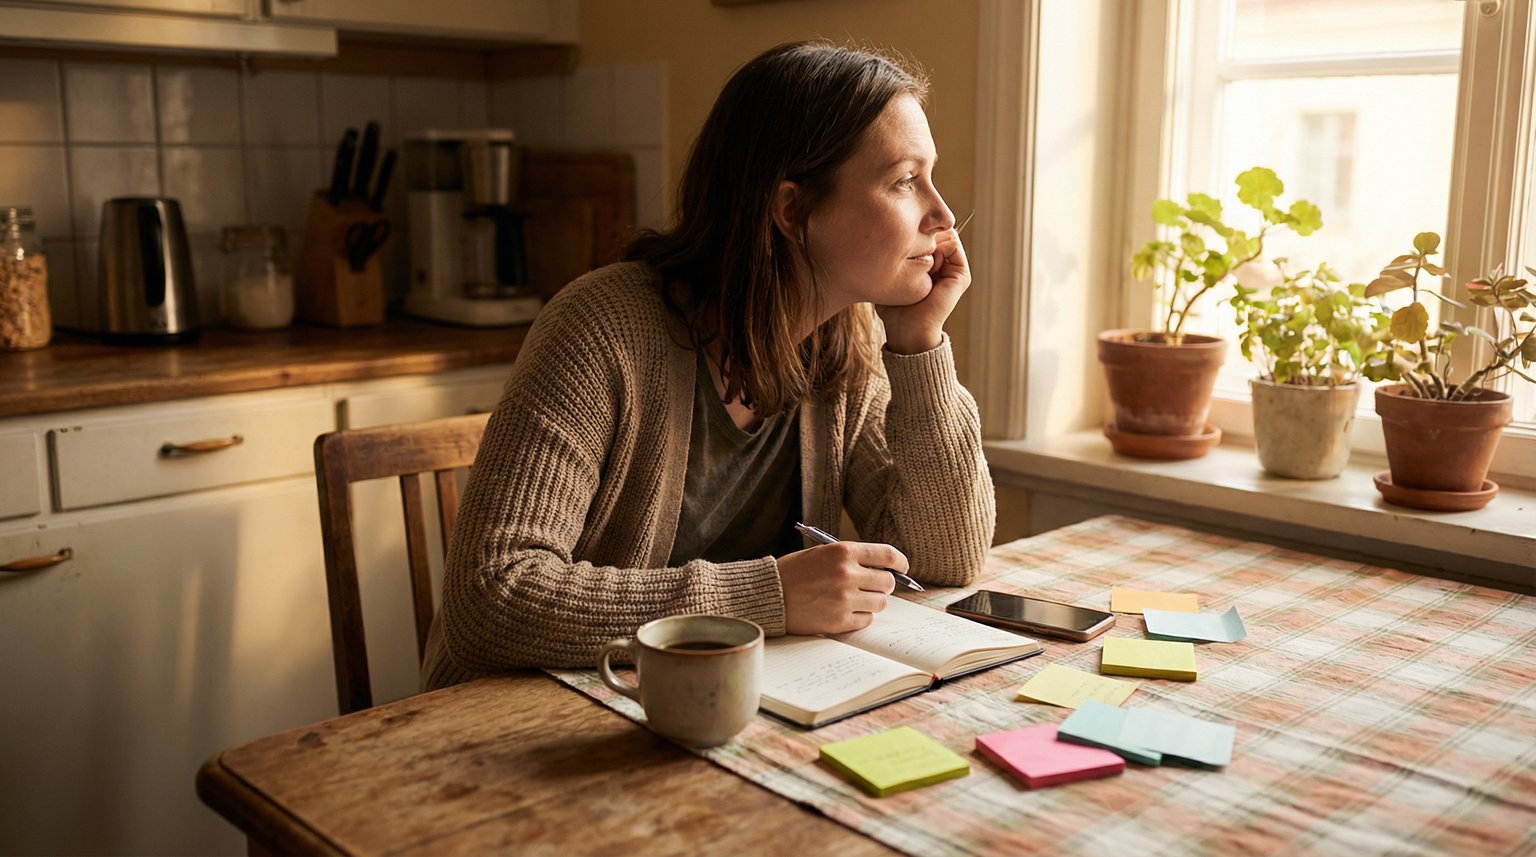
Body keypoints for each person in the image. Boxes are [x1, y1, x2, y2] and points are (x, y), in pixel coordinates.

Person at [421, 40, 995, 688]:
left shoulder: (847, 340)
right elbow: (493, 596)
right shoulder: (601, 329)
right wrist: (765, 597)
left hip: (709, 712)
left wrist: (919, 346)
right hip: (516, 727)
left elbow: (945, 559)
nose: (943, 215)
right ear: (791, 211)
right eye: (904, 180)